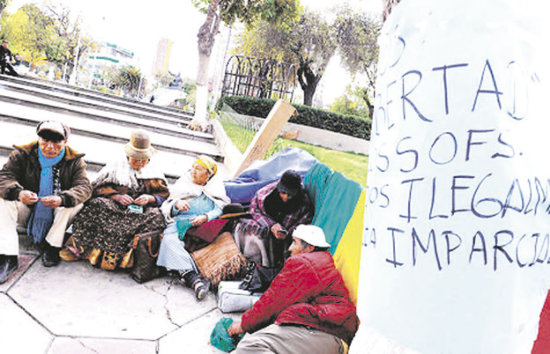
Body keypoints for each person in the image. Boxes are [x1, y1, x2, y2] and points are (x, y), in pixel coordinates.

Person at [227, 225, 359, 353]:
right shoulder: (319, 262)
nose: (290, 248)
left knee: (251, 346)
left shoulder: (304, 263)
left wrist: (244, 324)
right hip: (330, 334)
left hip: (327, 334)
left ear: (309, 247)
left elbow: (273, 302)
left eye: (294, 242)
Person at [59, 129, 169, 270]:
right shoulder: (116, 165)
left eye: (143, 160)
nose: (139, 164)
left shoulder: (154, 170)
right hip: (114, 207)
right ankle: (80, 248)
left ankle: (127, 259)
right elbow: (96, 187)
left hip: (140, 211)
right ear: (128, 156)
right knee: (97, 205)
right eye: (135, 160)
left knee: (156, 217)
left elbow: (163, 195)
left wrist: (150, 198)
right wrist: (116, 196)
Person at [0, 120, 92, 283]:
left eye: (56, 142)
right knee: (3, 199)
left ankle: (52, 245)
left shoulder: (75, 161)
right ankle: (8, 255)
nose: (50, 147)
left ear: (65, 142)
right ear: (38, 139)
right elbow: (4, 177)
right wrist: (19, 192)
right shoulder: (22, 154)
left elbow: (84, 187)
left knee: (76, 203)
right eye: (45, 141)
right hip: (28, 208)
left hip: (56, 214)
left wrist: (62, 198)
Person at [157, 155, 230, 300]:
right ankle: (194, 279)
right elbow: (169, 203)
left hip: (202, 225)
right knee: (168, 240)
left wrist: (205, 217)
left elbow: (220, 208)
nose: (193, 172)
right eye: (193, 168)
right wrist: (177, 205)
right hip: (181, 223)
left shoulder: (215, 188)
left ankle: (189, 277)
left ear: (208, 174)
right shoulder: (184, 182)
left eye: (198, 169)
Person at [236, 169, 314, 270]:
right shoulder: (264, 194)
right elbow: (254, 211)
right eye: (283, 193)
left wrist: (286, 234)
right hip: (264, 228)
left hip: (285, 239)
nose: (285, 197)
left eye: (290, 195)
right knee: (246, 231)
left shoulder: (304, 204)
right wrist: (271, 225)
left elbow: (302, 225)